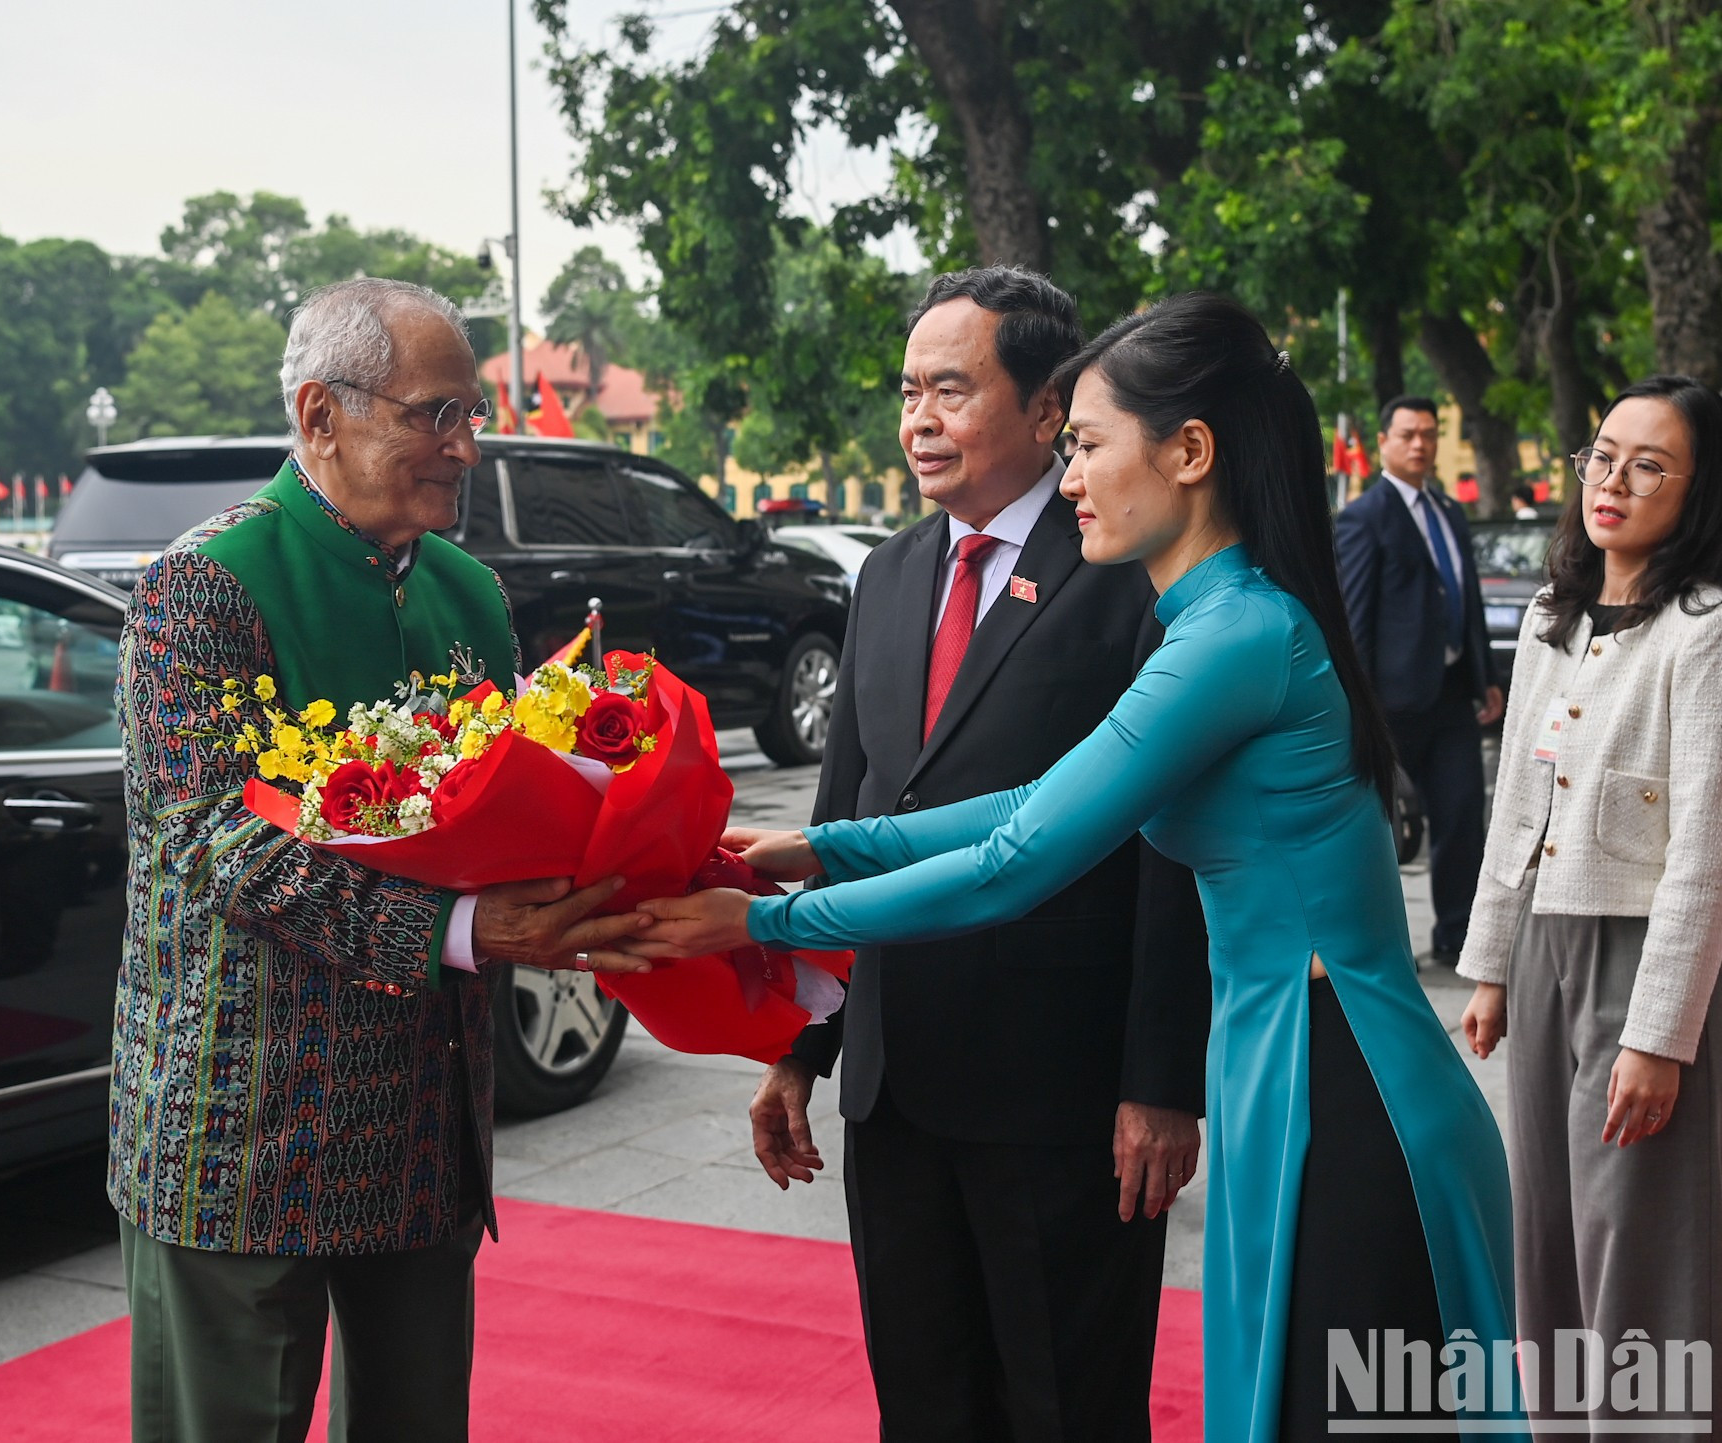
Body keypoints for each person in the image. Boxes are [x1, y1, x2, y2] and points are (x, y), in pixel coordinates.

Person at [602, 294, 1519, 1441]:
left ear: (1188, 454)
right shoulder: (1211, 623)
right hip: (1290, 1062)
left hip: (1342, 1081)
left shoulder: (1234, 635)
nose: (1070, 475)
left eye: (1087, 446)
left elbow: (1016, 861)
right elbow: (1034, 802)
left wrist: (762, 922)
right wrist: (814, 846)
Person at [110, 278, 651, 1443]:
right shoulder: (204, 585)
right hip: (241, 1128)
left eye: (471, 414)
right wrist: (466, 932)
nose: (466, 446)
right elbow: (212, 843)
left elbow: (508, 803)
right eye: (434, 415)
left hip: (421, 1119)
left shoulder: (468, 591)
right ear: (321, 416)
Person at [748, 266, 1209, 1441]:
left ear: (1049, 410)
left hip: (1060, 1087)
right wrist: (803, 1046)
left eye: (950, 390)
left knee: (1068, 1401)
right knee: (927, 1395)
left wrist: (1159, 1081)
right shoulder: (892, 570)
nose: (918, 420)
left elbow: (1170, 851)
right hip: (897, 1085)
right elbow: (852, 801)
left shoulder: (1127, 568)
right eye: (908, 392)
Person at [1460, 375, 1722, 1433]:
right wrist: (1488, 960)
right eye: (1603, 455)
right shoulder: (1558, 617)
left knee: (1639, 1242)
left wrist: (1661, 1034)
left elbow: (1708, 838)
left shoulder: (1702, 631)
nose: (1612, 481)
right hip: (1545, 955)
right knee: (1551, 1240)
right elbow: (1518, 792)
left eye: (1648, 464)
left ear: (1699, 492)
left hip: (1642, 956)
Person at [1336, 396, 1504, 963]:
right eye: (1408, 434)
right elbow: (1355, 615)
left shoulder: (1449, 511)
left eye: (1429, 434)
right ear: (1383, 440)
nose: (1420, 445)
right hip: (1392, 702)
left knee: (1461, 814)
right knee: (1382, 826)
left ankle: (1457, 934)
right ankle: (1379, 941)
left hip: (1454, 692)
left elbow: (1468, 600)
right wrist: (1360, 702)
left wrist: (1485, 676)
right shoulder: (1365, 516)